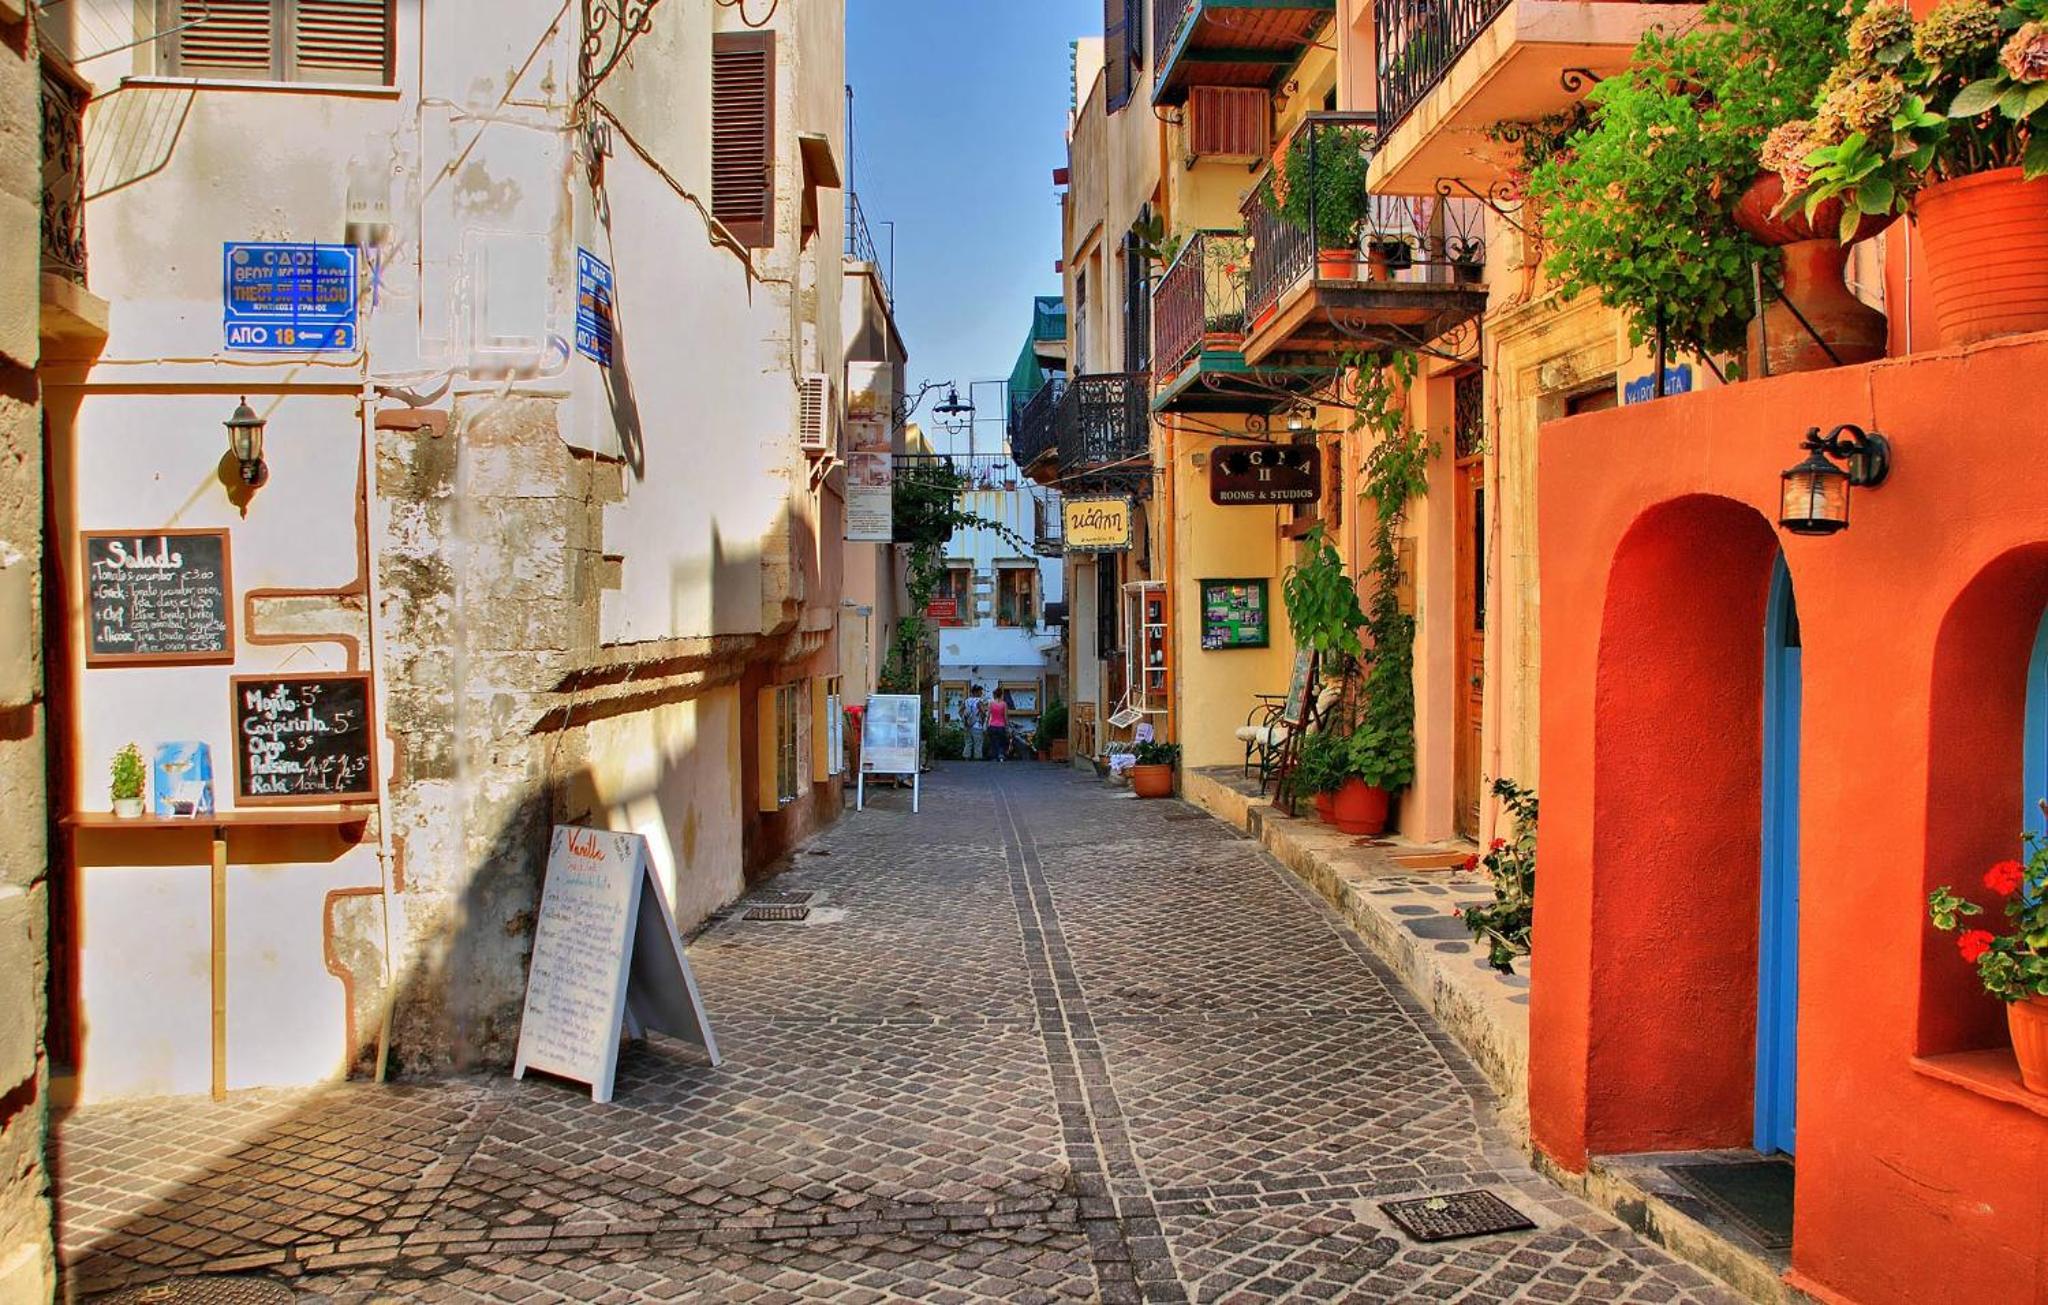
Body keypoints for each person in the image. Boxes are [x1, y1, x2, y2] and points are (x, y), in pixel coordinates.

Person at [964, 685, 986, 761]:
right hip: (977, 725)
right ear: (976, 692)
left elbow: (961, 711)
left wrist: (965, 720)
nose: (981, 693)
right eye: (980, 692)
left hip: (967, 724)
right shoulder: (979, 701)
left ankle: (967, 757)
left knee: (968, 742)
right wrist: (983, 720)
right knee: (978, 743)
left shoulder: (967, 701)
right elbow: (983, 712)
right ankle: (977, 758)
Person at [987, 690, 1010, 763]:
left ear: (995, 695)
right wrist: (1007, 727)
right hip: (1001, 726)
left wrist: (987, 724)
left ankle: (994, 756)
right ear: (1001, 695)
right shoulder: (1004, 704)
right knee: (1001, 742)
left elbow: (988, 715)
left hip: (992, 725)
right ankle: (1001, 755)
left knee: (993, 742)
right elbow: (1005, 716)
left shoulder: (991, 703)